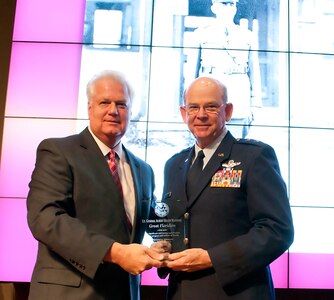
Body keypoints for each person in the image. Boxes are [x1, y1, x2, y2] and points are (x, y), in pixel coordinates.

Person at [26, 70, 166, 300]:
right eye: (104, 102)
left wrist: (165, 244)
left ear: (130, 111)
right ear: (89, 107)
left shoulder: (144, 170)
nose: (113, 110)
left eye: (121, 104)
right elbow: (45, 219)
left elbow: (151, 224)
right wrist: (116, 253)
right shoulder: (58, 151)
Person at [160, 77, 294, 299]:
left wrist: (211, 258)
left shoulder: (254, 157)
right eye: (194, 107)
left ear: (228, 111)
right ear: (184, 114)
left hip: (236, 293)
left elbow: (278, 230)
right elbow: (173, 226)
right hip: (182, 292)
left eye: (211, 107)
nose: (201, 114)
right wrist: (162, 249)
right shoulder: (174, 165)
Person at [190, 0, 262, 138]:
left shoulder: (247, 36)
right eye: (224, 4)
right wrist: (190, 104)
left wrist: (255, 105)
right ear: (214, 7)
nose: (228, 8)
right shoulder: (200, 34)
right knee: (210, 144)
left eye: (231, 4)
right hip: (209, 96)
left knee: (237, 146)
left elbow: (254, 72)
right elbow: (192, 74)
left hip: (238, 98)